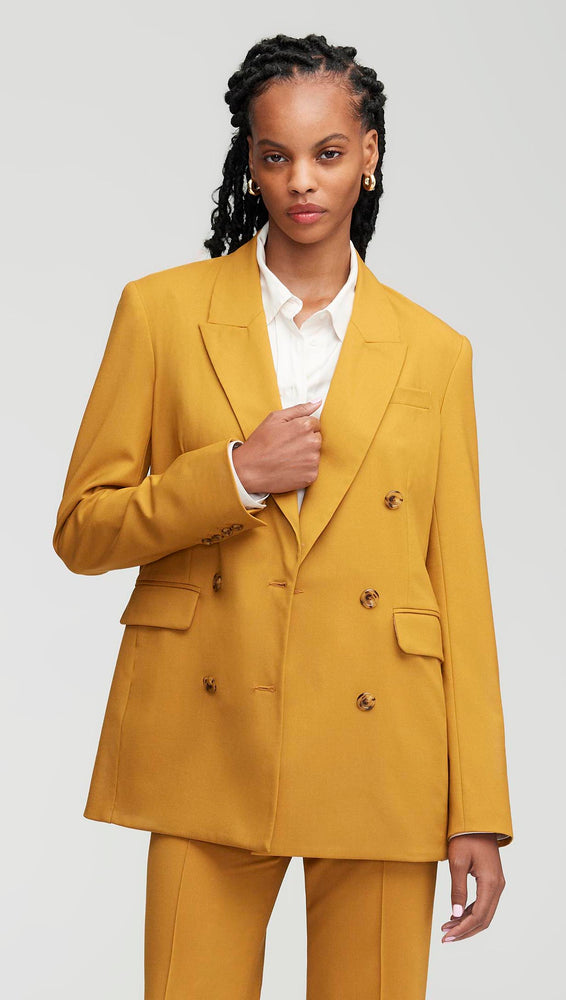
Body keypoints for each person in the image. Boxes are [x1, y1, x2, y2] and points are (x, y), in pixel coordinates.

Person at [53, 32, 514, 1000]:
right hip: (205, 739)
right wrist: (232, 475)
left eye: (328, 153)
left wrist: (478, 804)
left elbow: (459, 583)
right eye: (276, 156)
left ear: (369, 154)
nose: (302, 181)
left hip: (382, 746)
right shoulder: (160, 312)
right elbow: (83, 531)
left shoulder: (436, 352)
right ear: (251, 162)